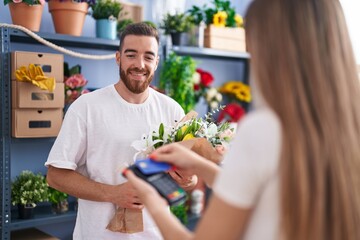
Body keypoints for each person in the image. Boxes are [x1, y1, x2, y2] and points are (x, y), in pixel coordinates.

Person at [124, 0, 360, 239]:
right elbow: (266, 190)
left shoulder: (264, 130)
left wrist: (152, 200)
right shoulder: (348, 125)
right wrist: (199, 165)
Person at [45, 23, 197, 239]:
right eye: (131, 55)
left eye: (148, 56)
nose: (139, 64)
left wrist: (187, 181)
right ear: (118, 58)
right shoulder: (87, 106)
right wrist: (114, 194)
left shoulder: (171, 109)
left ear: (156, 62)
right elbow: (55, 176)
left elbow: (186, 179)